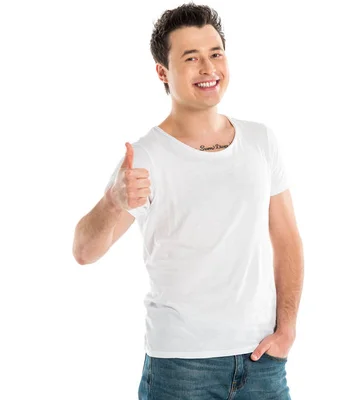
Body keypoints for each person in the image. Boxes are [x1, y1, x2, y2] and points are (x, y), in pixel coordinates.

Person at [72, 3, 304, 399]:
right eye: (191, 58)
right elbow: (83, 251)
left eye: (215, 53)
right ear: (162, 72)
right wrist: (113, 200)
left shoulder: (261, 141)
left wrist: (286, 329)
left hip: (261, 362)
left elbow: (286, 240)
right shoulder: (146, 157)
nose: (208, 68)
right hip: (181, 369)